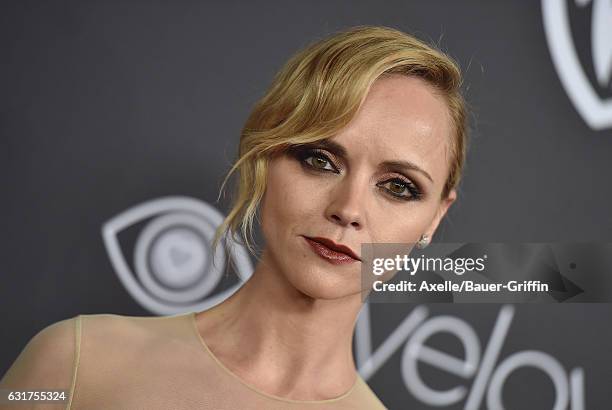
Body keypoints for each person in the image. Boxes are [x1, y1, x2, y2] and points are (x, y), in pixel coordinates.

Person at [0, 25, 467, 409]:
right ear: (265, 155)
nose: (347, 209)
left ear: (434, 220)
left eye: (398, 187)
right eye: (320, 160)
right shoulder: (75, 363)